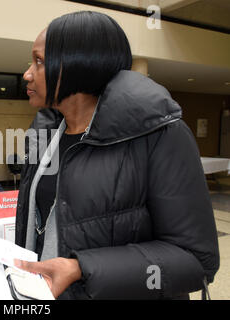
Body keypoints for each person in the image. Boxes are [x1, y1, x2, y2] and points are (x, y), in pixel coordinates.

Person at [14, 11, 219, 299]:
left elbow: (196, 261)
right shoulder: (46, 134)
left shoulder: (159, 135)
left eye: (39, 62)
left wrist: (81, 269)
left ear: (76, 65)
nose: (27, 73)